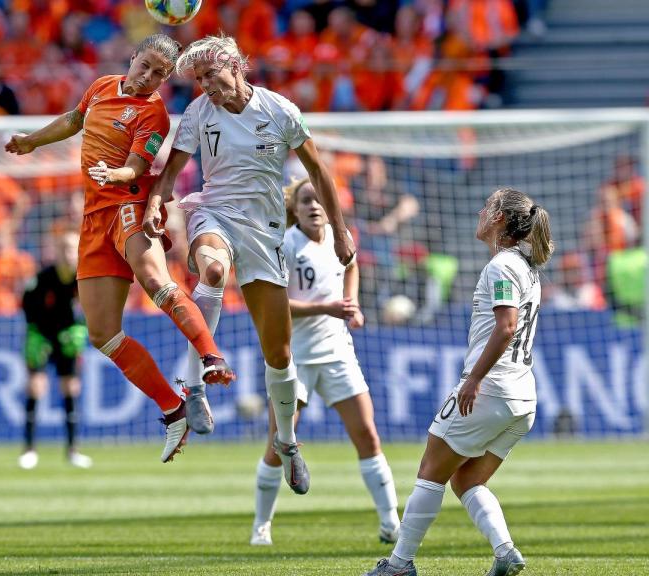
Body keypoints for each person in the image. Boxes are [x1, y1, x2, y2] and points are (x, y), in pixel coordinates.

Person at [5, 34, 235, 463]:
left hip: (128, 204)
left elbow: (137, 166)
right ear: (132, 59)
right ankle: (173, 408)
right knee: (102, 334)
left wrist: (115, 174)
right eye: (145, 66)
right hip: (93, 220)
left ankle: (210, 358)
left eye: (160, 75)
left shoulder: (154, 114)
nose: (149, 77)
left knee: (155, 280)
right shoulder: (100, 86)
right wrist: (33, 141)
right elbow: (74, 119)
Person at [147, 34, 355, 493]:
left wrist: (340, 231)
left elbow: (318, 171)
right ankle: (195, 387)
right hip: (213, 211)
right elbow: (170, 171)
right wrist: (155, 206)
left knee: (278, 356)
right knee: (213, 272)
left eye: (211, 76)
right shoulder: (200, 113)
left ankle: (287, 442)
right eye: (198, 79)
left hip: (264, 231)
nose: (205, 86)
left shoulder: (280, 111)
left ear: (237, 67)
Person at [365, 188, 553, 576]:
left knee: (430, 470)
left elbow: (506, 327)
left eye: (488, 207)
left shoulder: (502, 265)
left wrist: (474, 380)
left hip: (492, 388)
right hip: (522, 397)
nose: (481, 212)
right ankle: (505, 552)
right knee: (466, 479)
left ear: (500, 219)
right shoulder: (526, 267)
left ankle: (399, 565)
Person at [251, 178, 399, 546]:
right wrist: (327, 307)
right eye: (306, 200)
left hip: (337, 353)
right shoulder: (284, 244)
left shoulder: (340, 236)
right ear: (294, 209)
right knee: (278, 445)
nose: (315, 206)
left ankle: (390, 522)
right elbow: (275, 304)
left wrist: (353, 305)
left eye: (319, 200)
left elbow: (351, 267)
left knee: (368, 435)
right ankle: (261, 526)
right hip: (294, 359)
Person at [19, 229, 92, 470]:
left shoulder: (83, 279)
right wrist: (35, 334)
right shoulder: (43, 278)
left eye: (73, 249)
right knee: (35, 387)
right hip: (42, 336)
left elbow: (91, 310)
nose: (69, 254)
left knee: (70, 388)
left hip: (68, 337)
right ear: (57, 252)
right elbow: (27, 307)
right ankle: (29, 450)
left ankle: (72, 450)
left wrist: (80, 328)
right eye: (64, 249)